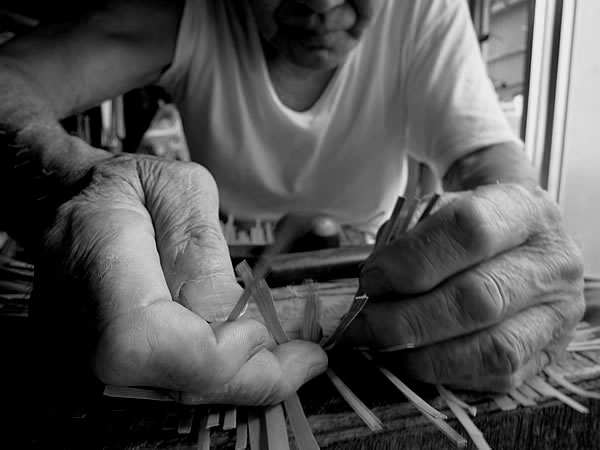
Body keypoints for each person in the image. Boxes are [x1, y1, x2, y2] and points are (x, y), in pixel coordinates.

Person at [0, 0, 584, 405]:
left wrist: (514, 227)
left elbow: (485, 155)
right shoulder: (193, 12)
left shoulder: (422, 12)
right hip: (219, 267)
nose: (325, 5)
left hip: (370, 272)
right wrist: (66, 184)